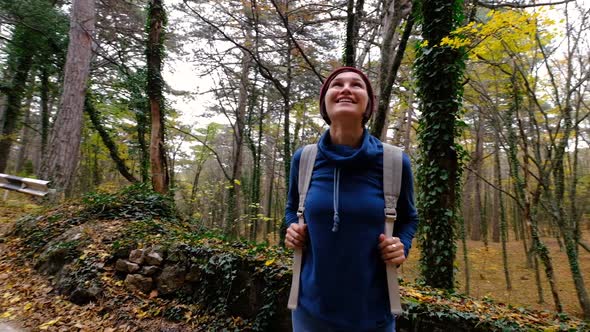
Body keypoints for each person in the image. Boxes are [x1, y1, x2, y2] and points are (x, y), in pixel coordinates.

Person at [284, 66, 419, 332]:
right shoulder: (305, 159)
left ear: (368, 106)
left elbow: (409, 218)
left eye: (356, 85)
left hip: (373, 315)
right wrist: (291, 229)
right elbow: (292, 209)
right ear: (325, 103)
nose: (346, 88)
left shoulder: (394, 161)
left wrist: (401, 245)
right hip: (309, 313)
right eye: (337, 84)